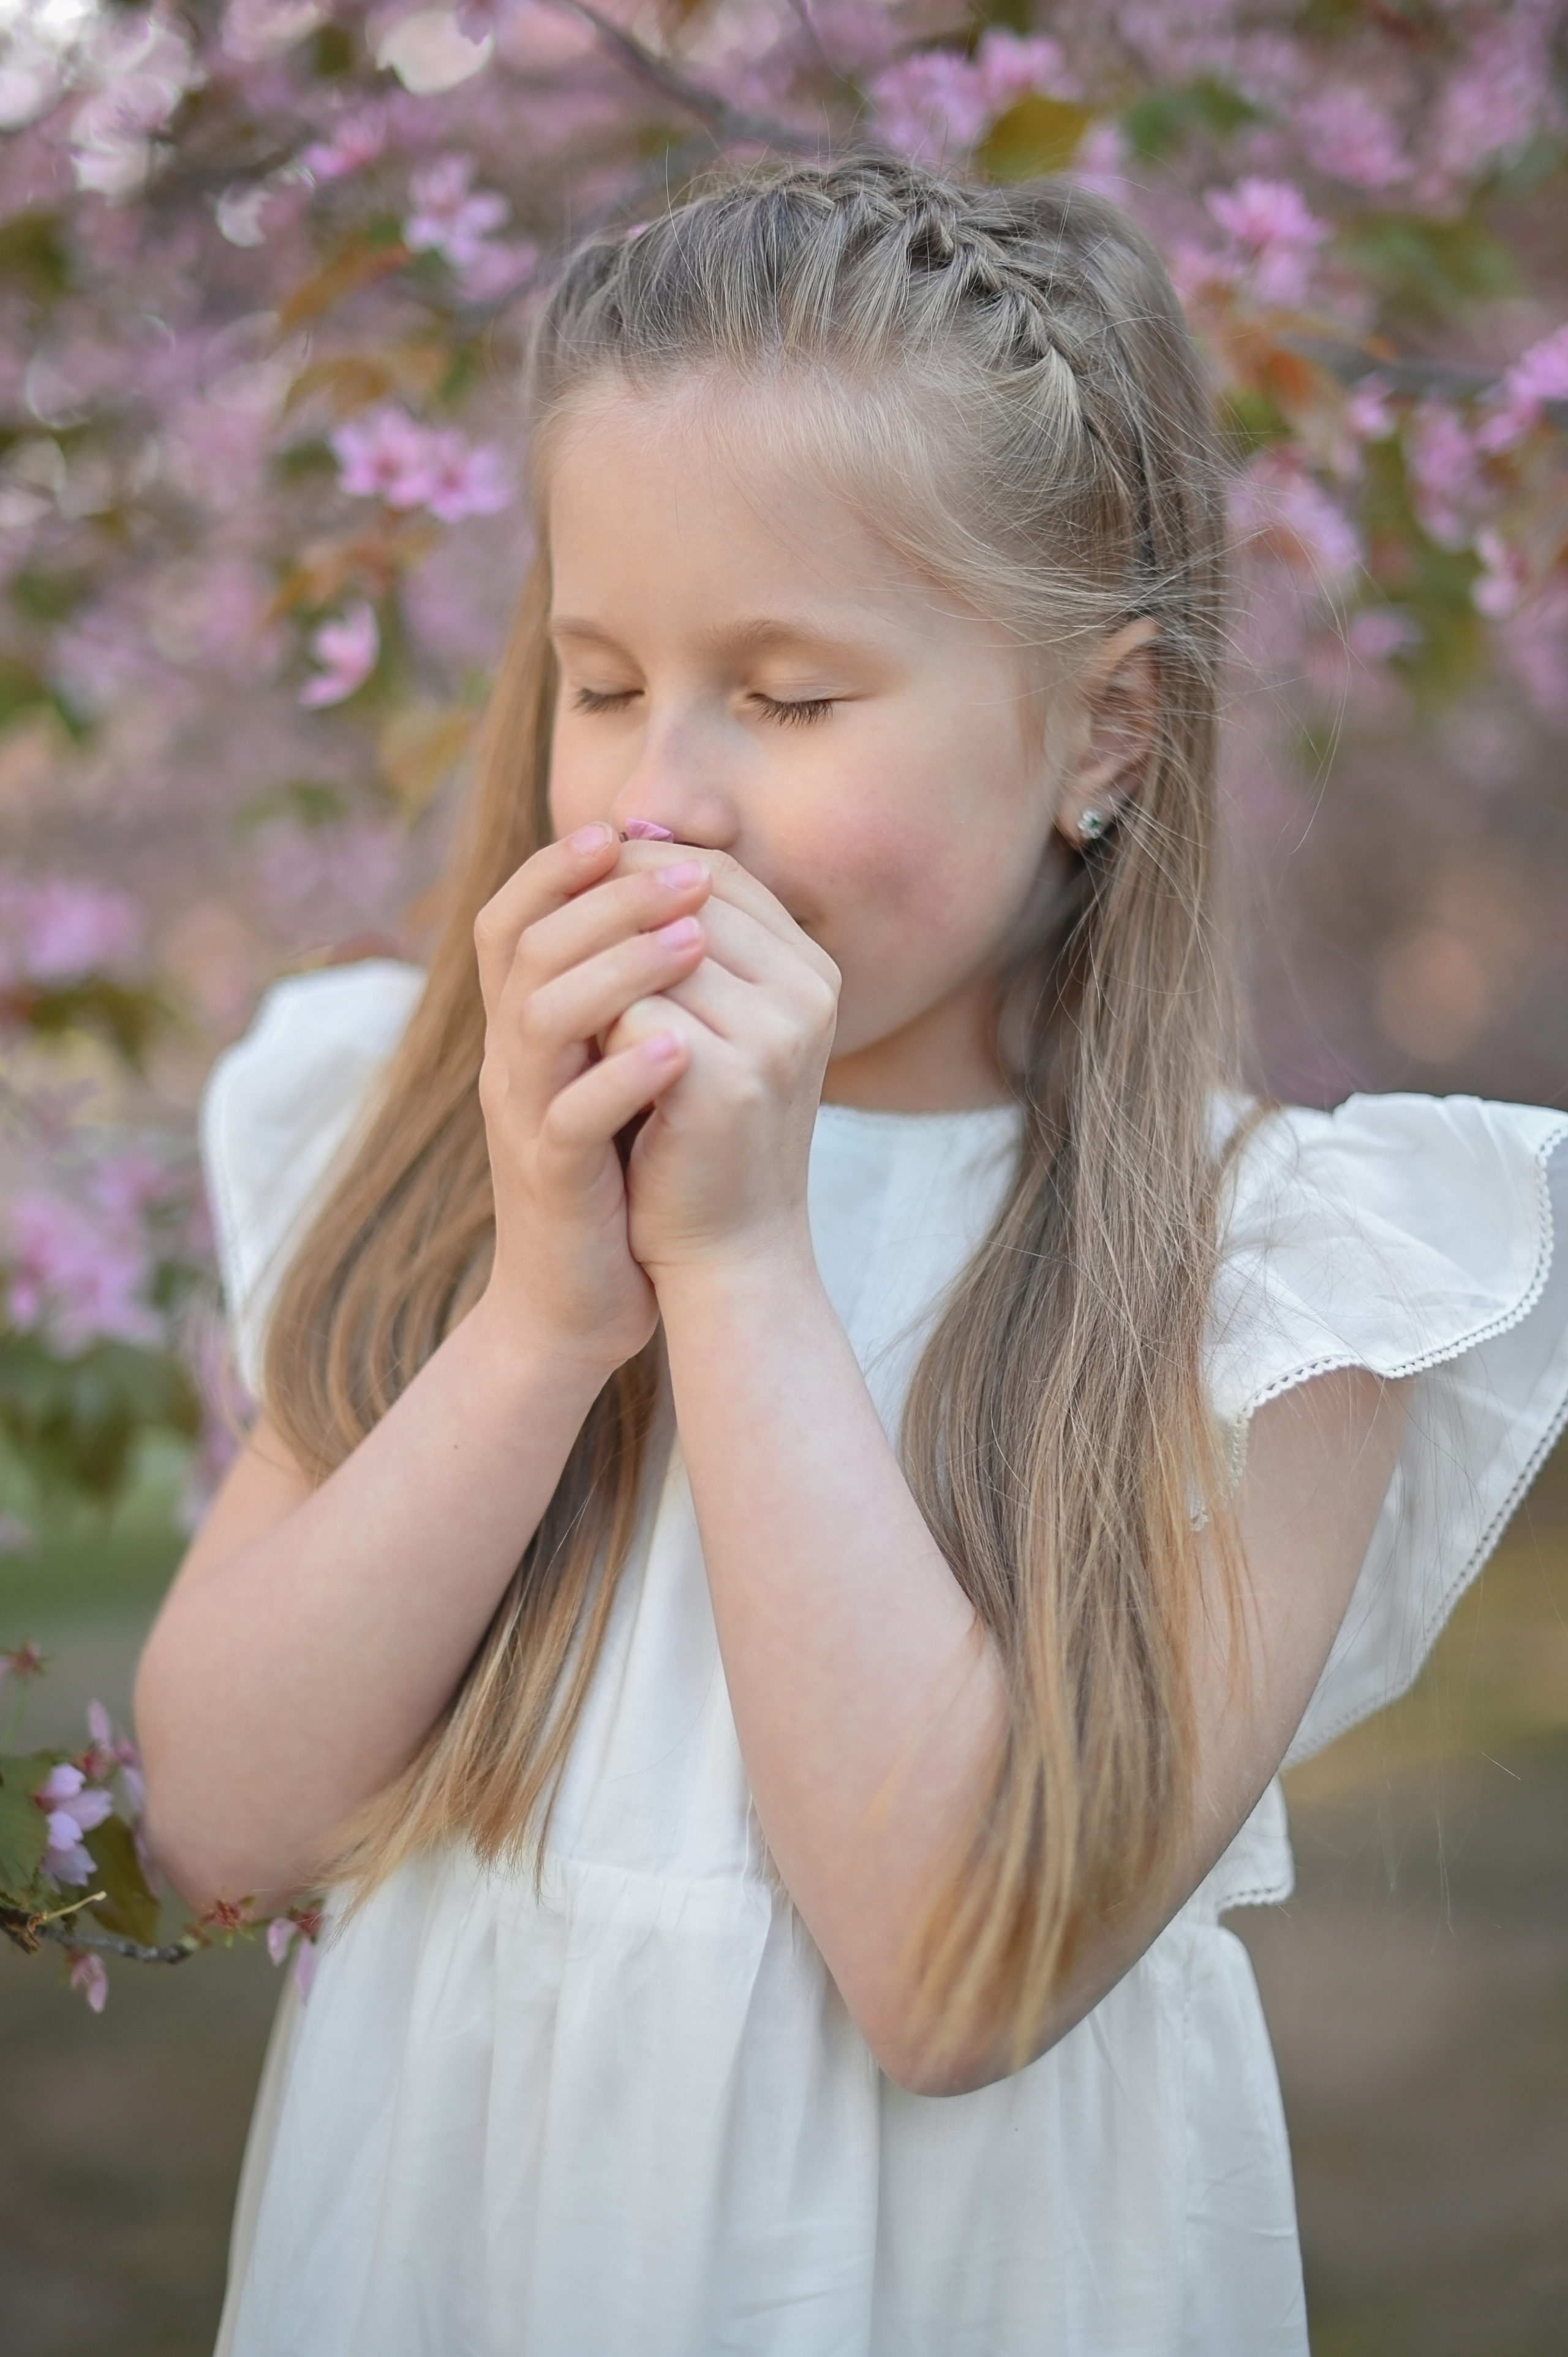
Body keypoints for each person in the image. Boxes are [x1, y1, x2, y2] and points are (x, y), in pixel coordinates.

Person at [135, 156, 1568, 2356]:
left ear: (1102, 731)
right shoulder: (451, 1150)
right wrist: (544, 1318)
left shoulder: (1285, 1293)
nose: (659, 802)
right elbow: (225, 1822)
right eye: (601, 683)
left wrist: (734, 1270)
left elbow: (953, 1974)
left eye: (791, 699)